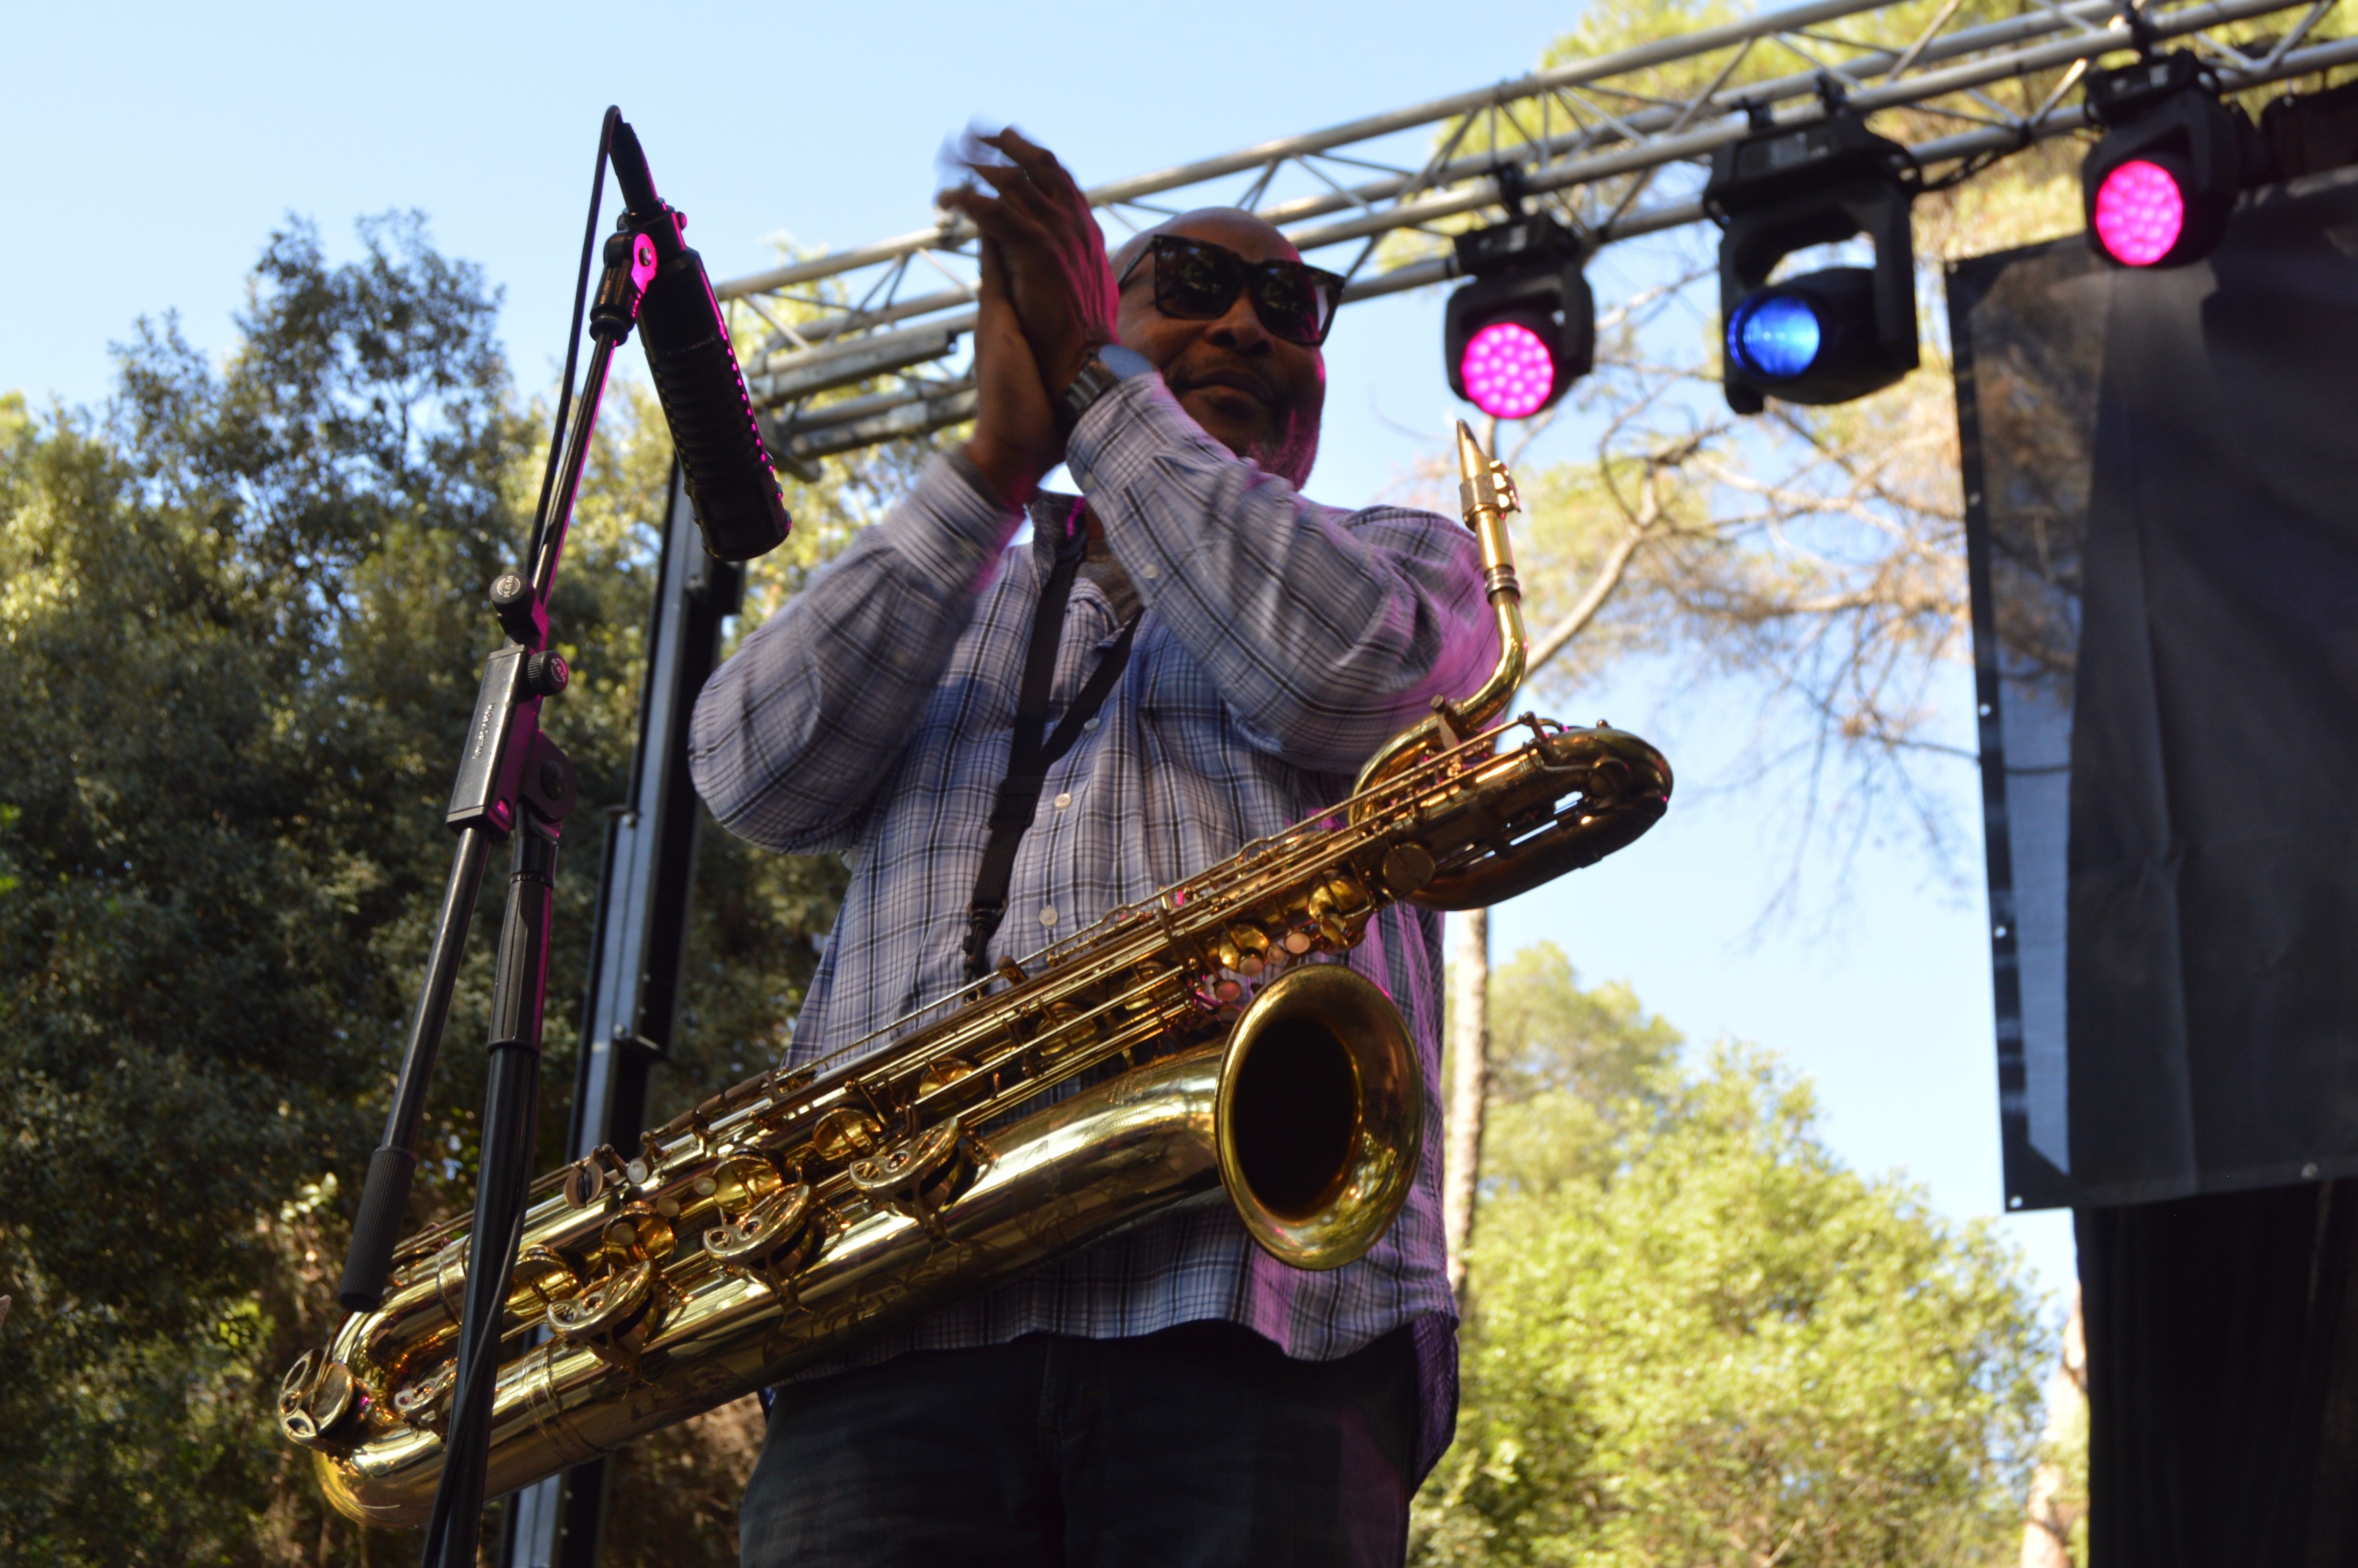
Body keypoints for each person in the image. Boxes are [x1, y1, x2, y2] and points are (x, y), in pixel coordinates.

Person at [689, 127, 1495, 1568]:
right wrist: (998, 459)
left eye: (1289, 309)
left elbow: (1335, 676)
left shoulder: (1402, 556)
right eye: (1185, 283)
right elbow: (749, 775)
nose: (1245, 319)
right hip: (890, 1324)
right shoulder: (954, 589)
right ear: (1088, 317)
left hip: (1257, 1312)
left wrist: (1097, 401)